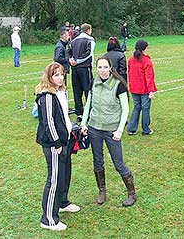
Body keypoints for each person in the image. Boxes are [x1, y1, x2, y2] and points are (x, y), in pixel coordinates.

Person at [80, 56, 137, 207]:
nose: (103, 70)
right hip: (94, 129)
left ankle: (132, 193)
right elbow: (88, 104)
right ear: (96, 68)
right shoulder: (94, 82)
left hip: (112, 130)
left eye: (105, 67)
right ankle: (102, 191)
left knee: (118, 163)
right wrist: (84, 123)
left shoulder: (119, 85)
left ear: (111, 68)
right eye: (100, 67)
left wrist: (119, 130)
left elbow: (125, 109)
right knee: (97, 161)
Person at [35, 62, 80, 232]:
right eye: (56, 75)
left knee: (64, 174)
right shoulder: (46, 95)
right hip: (54, 144)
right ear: (49, 77)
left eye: (61, 74)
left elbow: (63, 116)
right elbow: (49, 122)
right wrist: (57, 143)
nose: (60, 78)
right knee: (54, 178)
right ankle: (48, 218)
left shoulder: (61, 91)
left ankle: (62, 202)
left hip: (66, 140)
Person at [127, 40, 157, 135]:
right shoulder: (146, 61)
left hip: (134, 88)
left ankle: (132, 128)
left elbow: (130, 73)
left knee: (137, 107)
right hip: (144, 89)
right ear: (144, 49)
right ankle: (146, 129)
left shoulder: (131, 60)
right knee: (145, 108)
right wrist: (151, 90)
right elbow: (149, 77)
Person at [68, 23, 96, 121]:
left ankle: (79, 112)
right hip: (85, 67)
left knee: (77, 90)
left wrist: (71, 59)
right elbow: (89, 53)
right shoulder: (90, 40)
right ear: (88, 30)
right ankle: (89, 112)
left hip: (74, 69)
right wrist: (78, 61)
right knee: (88, 89)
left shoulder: (73, 40)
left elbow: (69, 52)